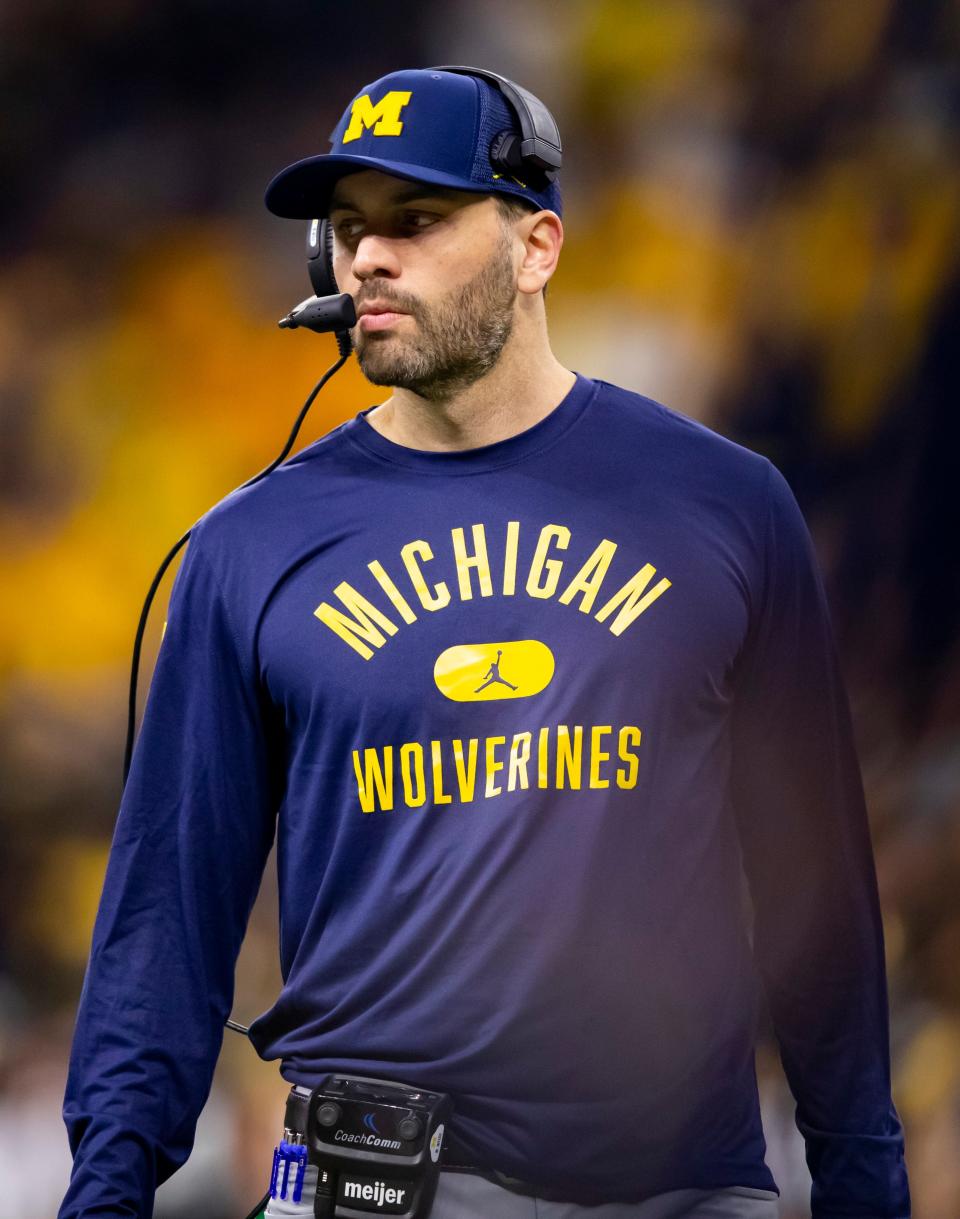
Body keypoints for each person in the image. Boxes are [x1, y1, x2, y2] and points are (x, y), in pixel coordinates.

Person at [57, 67, 911, 1219]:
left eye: (416, 221)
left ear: (537, 246)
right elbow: (165, 924)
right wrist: (103, 1195)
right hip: (371, 1192)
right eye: (349, 229)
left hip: (678, 1188)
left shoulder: (727, 506)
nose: (368, 259)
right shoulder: (247, 547)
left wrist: (866, 1186)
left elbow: (821, 902)